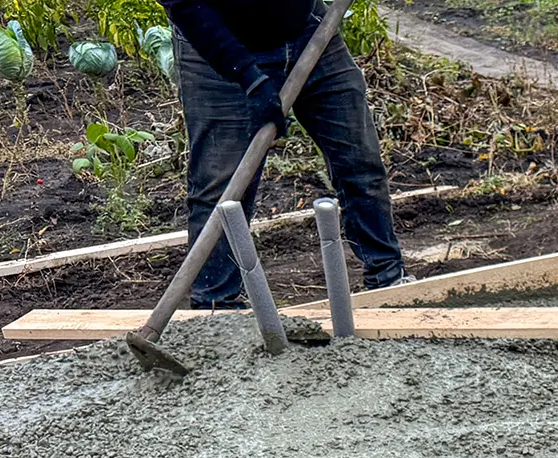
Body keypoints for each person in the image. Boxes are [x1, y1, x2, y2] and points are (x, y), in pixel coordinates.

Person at [160, 0, 406, 309]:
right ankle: (216, 310)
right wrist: (249, 78)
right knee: (221, 188)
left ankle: (388, 280)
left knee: (360, 162)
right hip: (216, 50)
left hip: (309, 32)